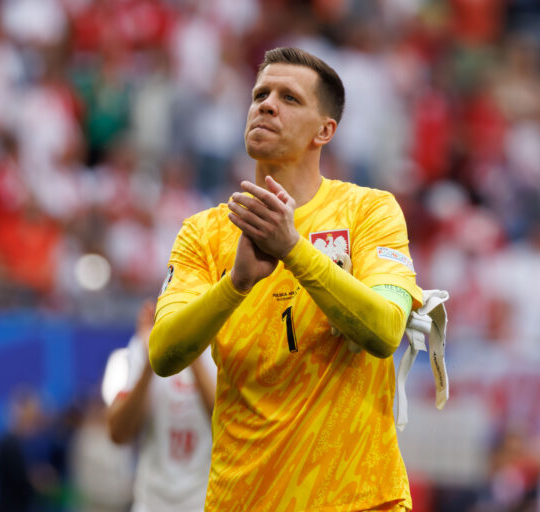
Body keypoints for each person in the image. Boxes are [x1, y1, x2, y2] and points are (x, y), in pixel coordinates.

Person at [150, 47, 424, 511]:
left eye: (289, 98)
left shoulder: (369, 211)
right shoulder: (203, 232)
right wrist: (234, 284)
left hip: (358, 499)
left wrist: (293, 251)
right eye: (260, 93)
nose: (267, 104)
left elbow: (385, 330)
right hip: (243, 499)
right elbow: (163, 353)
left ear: (325, 130)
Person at [102, 300, 216, 512]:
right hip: (151, 503)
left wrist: (191, 352)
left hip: (207, 502)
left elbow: (229, 426)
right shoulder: (142, 344)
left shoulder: (223, 338)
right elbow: (117, 433)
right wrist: (150, 362)